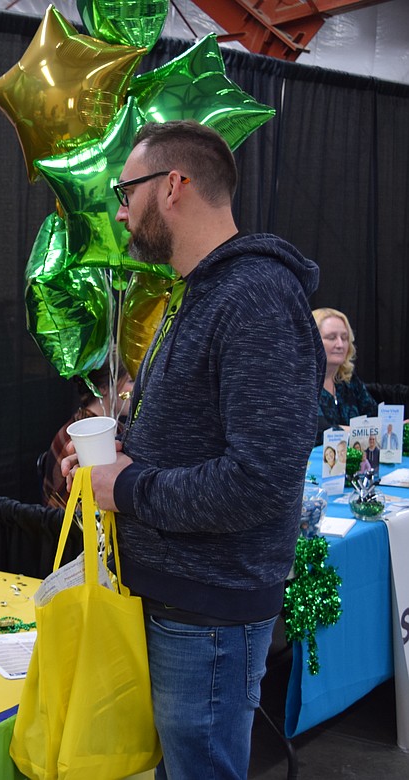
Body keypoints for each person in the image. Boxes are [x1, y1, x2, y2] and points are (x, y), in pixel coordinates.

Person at [62, 120, 323, 779]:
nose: (120, 211)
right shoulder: (203, 294)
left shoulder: (255, 296)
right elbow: (198, 441)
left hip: (208, 611)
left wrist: (126, 487)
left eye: (127, 191)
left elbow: (259, 479)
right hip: (179, 600)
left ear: (174, 185)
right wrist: (117, 454)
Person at [41, 365, 133, 508]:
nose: (138, 388)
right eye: (131, 381)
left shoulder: (121, 430)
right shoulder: (77, 439)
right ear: (103, 388)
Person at [313, 307, 377, 432]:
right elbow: (318, 431)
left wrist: (398, 425)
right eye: (332, 338)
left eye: (344, 338)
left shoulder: (350, 381)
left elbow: (374, 417)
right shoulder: (300, 384)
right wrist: (362, 431)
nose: (340, 345)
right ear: (311, 341)